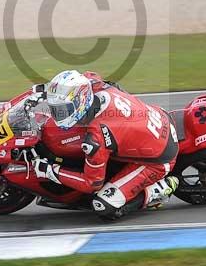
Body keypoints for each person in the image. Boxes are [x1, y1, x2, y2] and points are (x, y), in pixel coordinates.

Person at [32, 70, 179, 220]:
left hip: (158, 159)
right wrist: (44, 89)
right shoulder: (92, 85)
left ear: (81, 102)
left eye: (63, 110)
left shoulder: (96, 137)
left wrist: (50, 171)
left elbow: (91, 183)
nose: (58, 115)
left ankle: (158, 191)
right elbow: (88, 75)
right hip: (158, 118)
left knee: (102, 205)